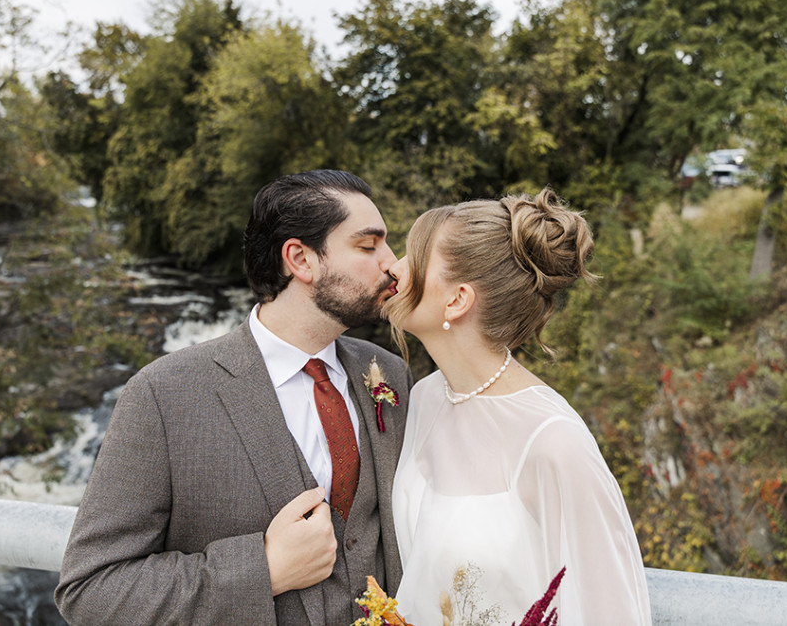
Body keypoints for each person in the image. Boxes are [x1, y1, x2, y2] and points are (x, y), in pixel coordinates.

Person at [55, 169, 412, 625]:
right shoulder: (163, 396)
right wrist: (263, 570)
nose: (393, 263)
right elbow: (91, 590)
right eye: (368, 246)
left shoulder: (389, 374)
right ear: (301, 260)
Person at [384, 188, 651, 626]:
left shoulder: (554, 443)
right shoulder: (427, 399)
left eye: (411, 257)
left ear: (457, 299)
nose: (393, 268)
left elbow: (613, 613)